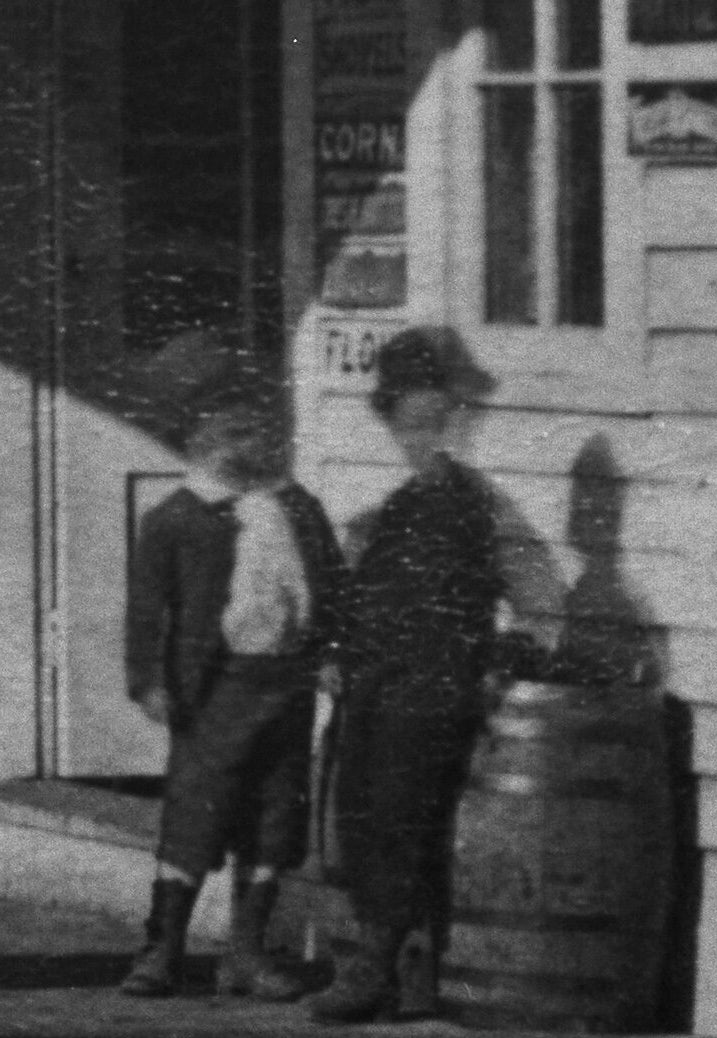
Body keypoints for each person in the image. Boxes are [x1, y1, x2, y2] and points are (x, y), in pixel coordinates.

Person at [122, 370, 344, 1001]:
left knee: (276, 817)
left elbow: (334, 588)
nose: (246, 444)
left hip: (289, 683)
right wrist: (148, 682)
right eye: (229, 432)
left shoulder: (299, 508)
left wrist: (332, 652)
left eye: (256, 430)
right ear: (197, 439)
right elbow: (146, 610)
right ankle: (162, 950)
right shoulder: (176, 518)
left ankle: (246, 954)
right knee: (197, 813)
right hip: (215, 689)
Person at [312, 328, 509, 1024]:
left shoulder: (465, 503)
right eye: (410, 425)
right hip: (377, 683)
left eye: (437, 422)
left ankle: (376, 966)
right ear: (392, 423)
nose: (424, 438)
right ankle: (405, 970)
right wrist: (337, 653)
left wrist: (483, 667)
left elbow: (494, 596)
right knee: (360, 816)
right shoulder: (397, 505)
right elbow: (362, 597)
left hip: (429, 688)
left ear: (456, 417)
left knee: (397, 821)